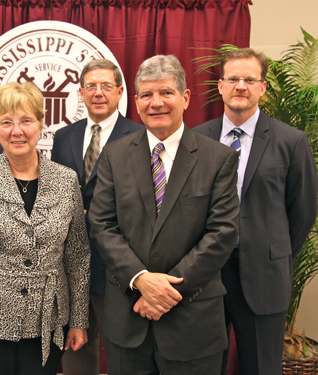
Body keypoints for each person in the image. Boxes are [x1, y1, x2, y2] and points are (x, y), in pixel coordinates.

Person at [89, 55, 240, 375]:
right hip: (128, 321)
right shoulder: (114, 155)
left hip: (193, 323)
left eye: (166, 93)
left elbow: (222, 232)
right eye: (146, 95)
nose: (155, 102)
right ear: (136, 102)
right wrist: (141, 280)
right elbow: (102, 224)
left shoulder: (219, 158)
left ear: (185, 98)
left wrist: (165, 293)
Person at [0, 82, 90, 374]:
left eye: (26, 121)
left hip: (49, 324)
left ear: (41, 125)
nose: (17, 131)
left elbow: (77, 258)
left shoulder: (66, 181)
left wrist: (78, 319)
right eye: (7, 122)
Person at [193, 48, 318, 375]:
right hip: (206, 276)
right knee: (203, 366)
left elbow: (302, 211)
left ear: (262, 88)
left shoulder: (291, 141)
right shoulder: (195, 140)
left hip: (264, 276)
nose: (240, 86)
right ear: (220, 85)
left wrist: (273, 251)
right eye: (233, 78)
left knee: (261, 367)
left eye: (250, 79)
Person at [51, 58, 144, 374]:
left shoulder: (140, 136)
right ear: (80, 92)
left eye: (106, 86)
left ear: (120, 92)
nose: (98, 93)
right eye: (91, 86)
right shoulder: (64, 137)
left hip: (118, 266)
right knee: (76, 351)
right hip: (71, 266)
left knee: (123, 352)